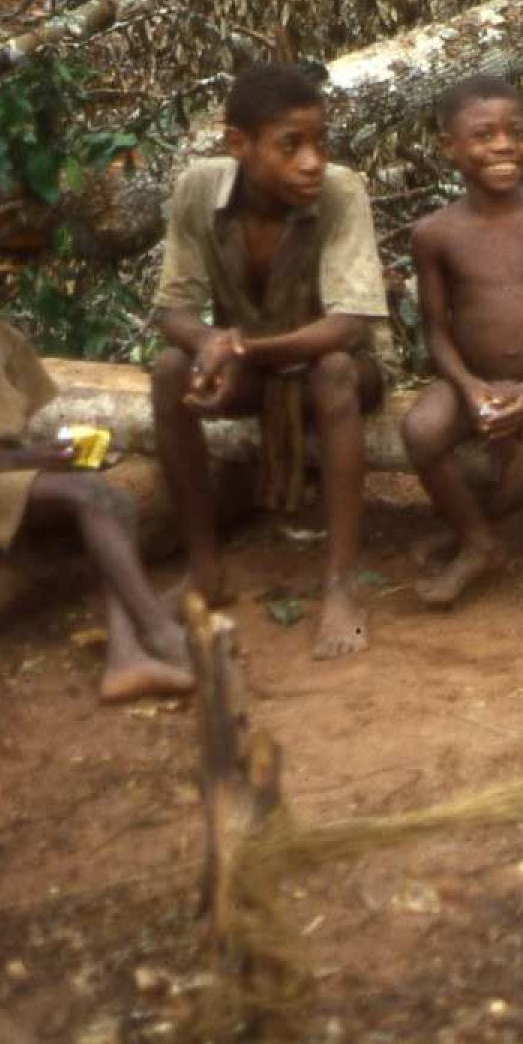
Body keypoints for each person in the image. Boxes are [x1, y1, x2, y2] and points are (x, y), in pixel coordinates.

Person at [150, 62, 395, 660]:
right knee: (167, 371)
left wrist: (241, 348)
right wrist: (210, 344)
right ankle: (205, 565)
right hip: (253, 366)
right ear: (239, 143)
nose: (312, 162)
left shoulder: (340, 192)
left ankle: (340, 585)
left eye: (319, 143)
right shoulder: (200, 191)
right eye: (291, 146)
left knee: (334, 370)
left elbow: (348, 326)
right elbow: (172, 309)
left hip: (341, 368)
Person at [400, 75, 523, 607]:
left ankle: (471, 529)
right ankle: (481, 543)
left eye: (515, 132)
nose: (503, 146)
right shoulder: (435, 234)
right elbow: (437, 330)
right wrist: (469, 388)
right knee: (420, 429)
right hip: (474, 378)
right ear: (450, 148)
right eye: (483, 136)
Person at [0, 316, 192, 702]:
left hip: (1, 474)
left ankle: (126, 655)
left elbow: (13, 431)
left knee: (116, 500)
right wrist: (31, 458)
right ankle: (162, 635)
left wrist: (47, 458)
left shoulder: (0, 337)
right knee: (92, 496)